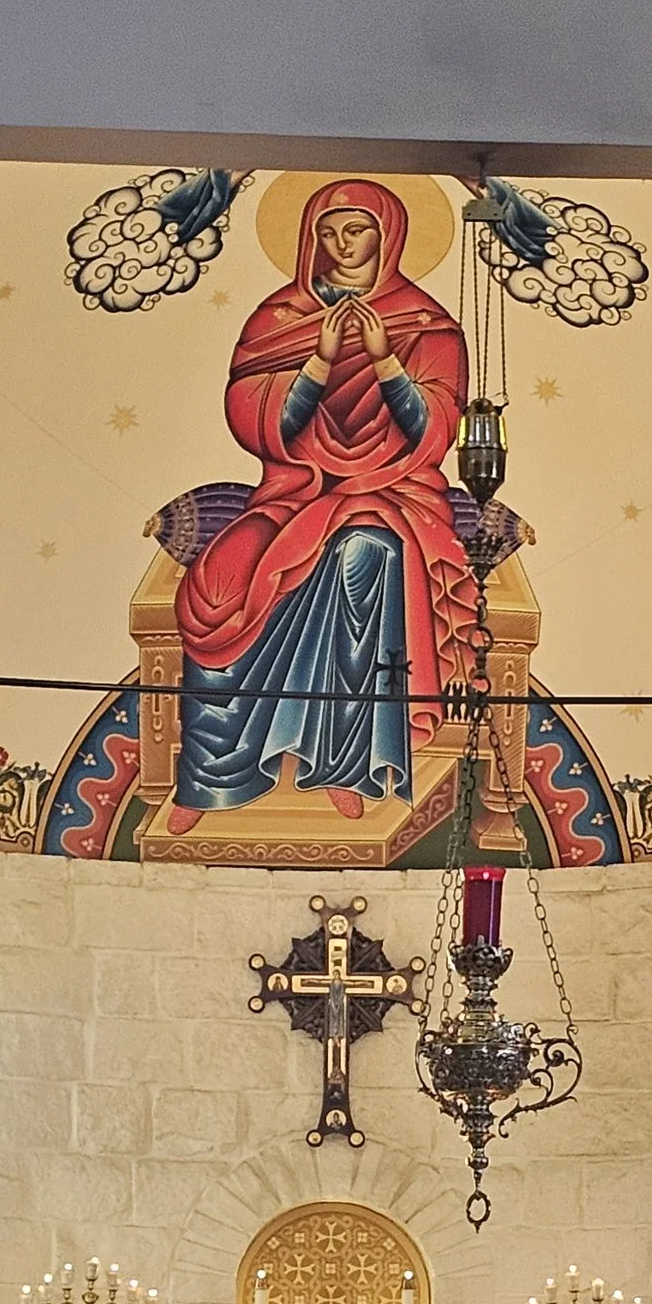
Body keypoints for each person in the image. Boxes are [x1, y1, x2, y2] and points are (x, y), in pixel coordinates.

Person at [166, 180, 472, 830]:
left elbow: (435, 430)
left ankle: (341, 763)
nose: (341, 245)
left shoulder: (428, 323)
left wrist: (385, 359)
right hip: (293, 489)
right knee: (216, 593)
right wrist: (319, 360)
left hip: (389, 494)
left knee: (365, 557)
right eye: (328, 232)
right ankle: (213, 778)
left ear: (386, 235)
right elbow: (250, 416)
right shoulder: (280, 317)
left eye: (355, 231)